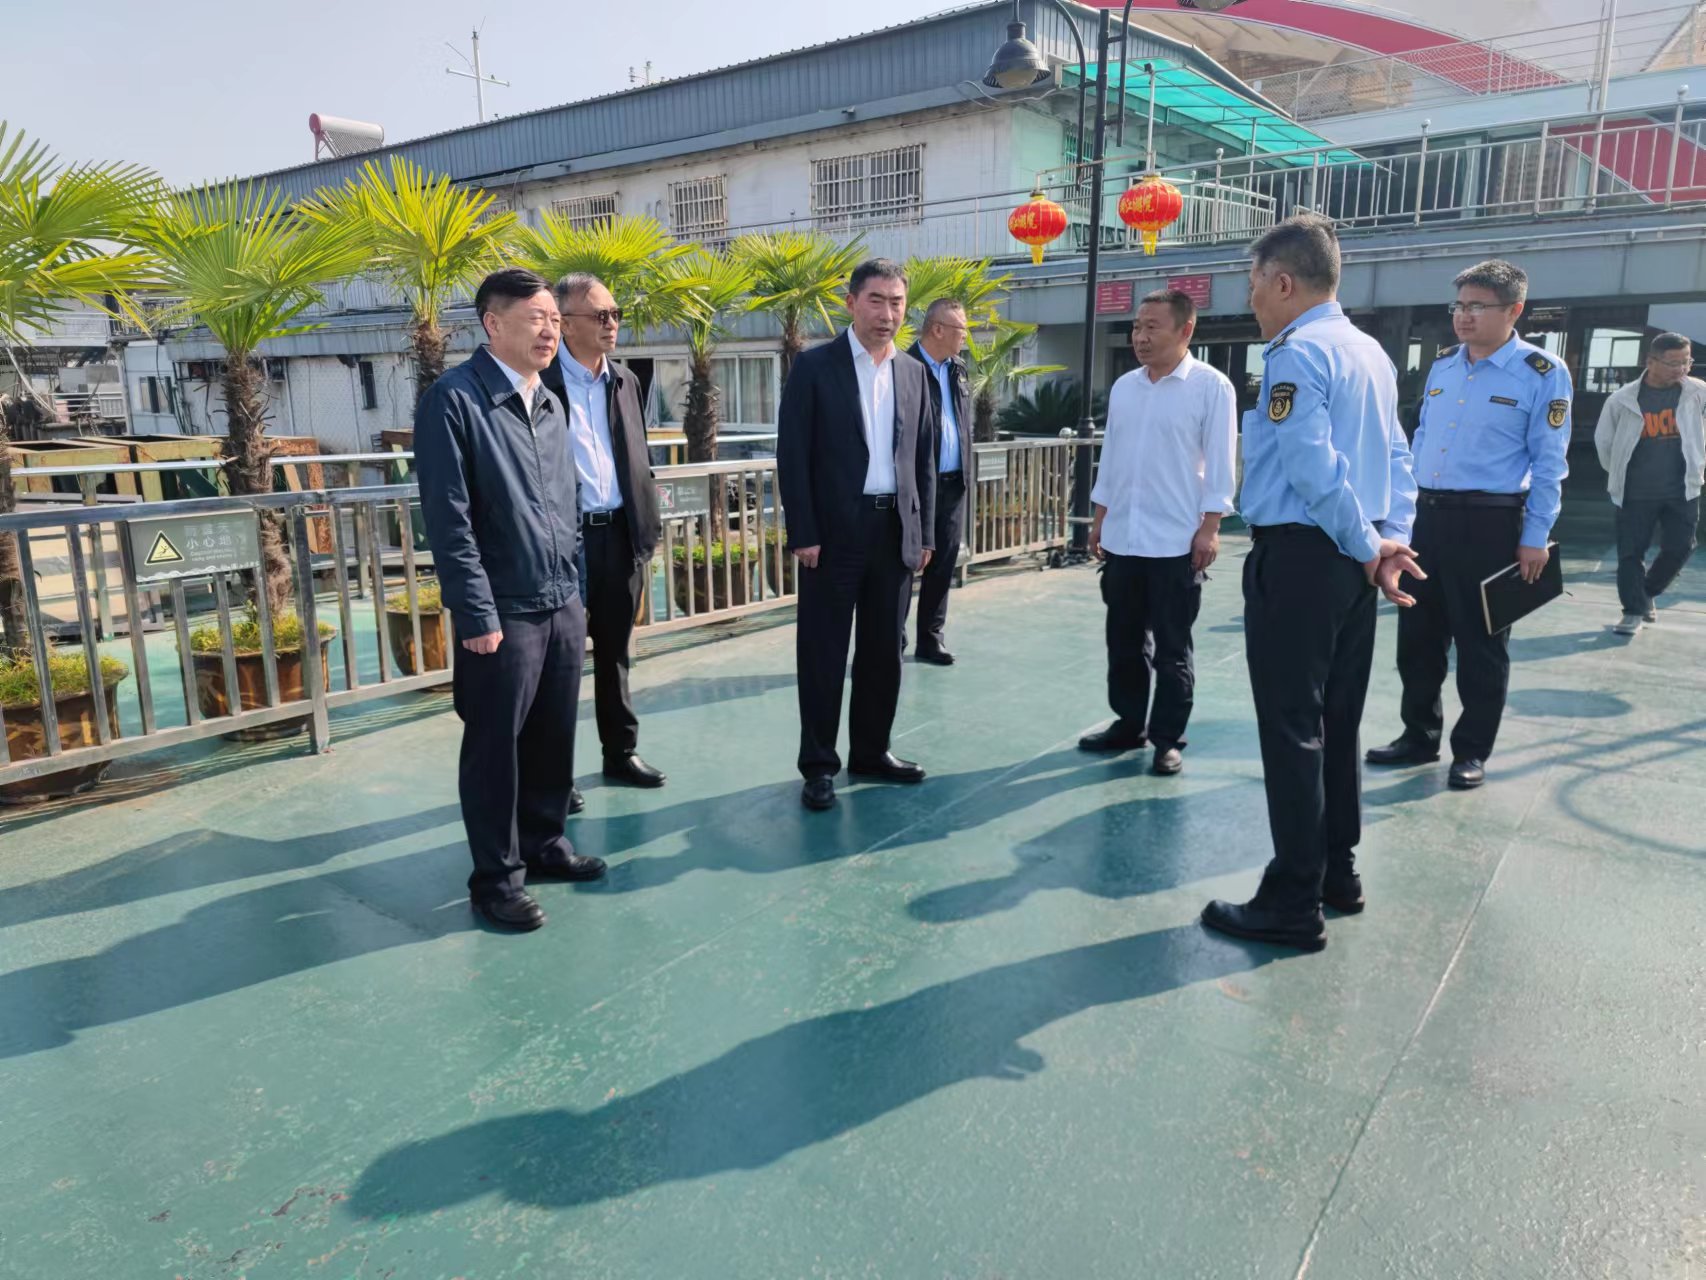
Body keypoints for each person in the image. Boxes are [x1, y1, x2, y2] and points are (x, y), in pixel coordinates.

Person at [1201, 214, 1420, 954]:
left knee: (1293, 729)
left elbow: (1311, 465)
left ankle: (1293, 899)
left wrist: (1367, 544)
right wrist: (1387, 541)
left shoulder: (1296, 353)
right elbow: (1398, 456)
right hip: (1354, 563)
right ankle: (1337, 872)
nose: (1252, 298)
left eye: (1255, 283)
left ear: (1285, 282)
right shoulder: (1370, 352)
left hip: (1303, 558)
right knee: (1338, 722)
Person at [415, 268, 606, 933]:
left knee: (554, 736)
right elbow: (449, 520)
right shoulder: (454, 400)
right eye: (536, 319)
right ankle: (495, 880)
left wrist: (577, 591)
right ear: (493, 324)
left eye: (555, 319)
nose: (551, 331)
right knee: (495, 748)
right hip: (503, 609)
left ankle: (545, 843)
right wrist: (475, 612)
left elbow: (568, 504)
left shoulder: (549, 401)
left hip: (559, 600)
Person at [1365, 260, 1572, 790]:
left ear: (1514, 310)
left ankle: (1472, 750)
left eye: (1477, 306)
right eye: (1458, 305)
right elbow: (1418, 444)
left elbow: (1550, 463)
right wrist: (1399, 522)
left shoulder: (1542, 373)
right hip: (1426, 520)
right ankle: (1418, 735)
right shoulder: (1443, 366)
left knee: (1481, 645)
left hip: (1490, 524)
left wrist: (1535, 537)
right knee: (1417, 638)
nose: (1463, 316)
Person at [778, 258, 936, 811]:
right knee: (823, 653)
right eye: (876, 300)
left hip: (894, 532)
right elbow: (793, 454)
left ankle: (872, 752)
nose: (886, 313)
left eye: (896, 303)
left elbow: (922, 459)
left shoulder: (913, 372)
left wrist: (924, 533)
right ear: (851, 303)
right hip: (832, 536)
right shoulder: (814, 366)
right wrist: (804, 531)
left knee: (883, 652)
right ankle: (819, 765)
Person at [1080, 288, 1237, 777]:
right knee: (1124, 643)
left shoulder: (1211, 387)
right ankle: (1129, 723)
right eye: (1136, 326)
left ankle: (1168, 739)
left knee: (1172, 649)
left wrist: (1210, 528)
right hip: (1124, 538)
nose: (1140, 337)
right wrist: (1100, 519)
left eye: (1152, 327)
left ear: (1185, 330)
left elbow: (1221, 466)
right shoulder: (1125, 388)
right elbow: (1112, 459)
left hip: (1176, 541)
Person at [541, 273, 666, 812]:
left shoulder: (625, 381)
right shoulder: (541, 383)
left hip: (619, 535)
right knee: (560, 664)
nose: (612, 323)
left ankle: (621, 753)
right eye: (600, 315)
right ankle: (554, 775)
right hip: (563, 544)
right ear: (565, 324)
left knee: (615, 654)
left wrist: (646, 528)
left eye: (615, 314)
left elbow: (638, 456)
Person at [1594, 331, 1704, 635]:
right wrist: (1620, 474)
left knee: (1682, 546)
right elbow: (1604, 444)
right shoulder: (1622, 400)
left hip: (1683, 489)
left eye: (1686, 362)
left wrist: (1699, 462)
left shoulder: (1698, 392)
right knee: (1631, 553)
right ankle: (1632, 612)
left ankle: (1646, 593)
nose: (1681, 369)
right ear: (1651, 362)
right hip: (1635, 493)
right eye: (1673, 363)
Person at [906, 297, 974, 665]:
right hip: (915, 488)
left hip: (952, 484)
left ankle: (931, 639)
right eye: (961, 329)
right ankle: (893, 639)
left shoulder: (958, 370)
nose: (965, 336)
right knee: (905, 563)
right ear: (937, 329)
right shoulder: (904, 368)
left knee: (943, 563)